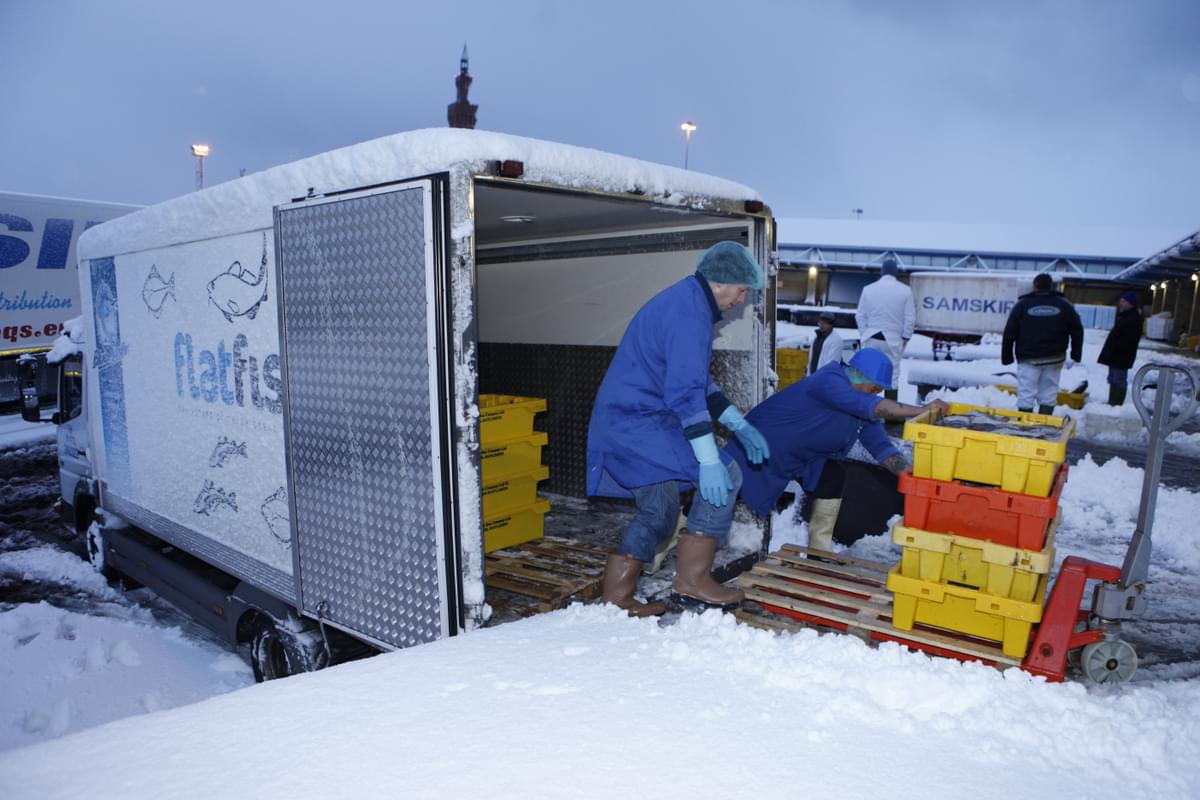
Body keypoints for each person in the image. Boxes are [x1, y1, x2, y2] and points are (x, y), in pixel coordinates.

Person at [588, 241, 771, 616]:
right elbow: (686, 393)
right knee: (726, 472)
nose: (741, 299)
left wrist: (738, 424)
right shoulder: (690, 313)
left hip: (629, 420)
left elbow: (695, 381)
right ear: (721, 282)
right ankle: (693, 580)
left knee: (660, 509)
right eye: (742, 290)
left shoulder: (686, 301)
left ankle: (617, 598)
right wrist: (708, 460)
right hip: (638, 421)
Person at [724, 348, 948, 551]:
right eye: (875, 387)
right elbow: (871, 407)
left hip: (803, 458)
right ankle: (692, 534)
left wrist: (910, 476)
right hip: (759, 446)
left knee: (832, 477)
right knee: (723, 492)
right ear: (859, 374)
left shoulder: (863, 400)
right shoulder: (829, 380)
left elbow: (880, 446)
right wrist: (922, 409)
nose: (876, 393)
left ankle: (819, 551)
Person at [1001, 273, 1084, 415]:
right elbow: (1077, 330)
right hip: (1055, 358)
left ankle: (1024, 425)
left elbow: (1009, 333)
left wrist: (1007, 357)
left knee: (1026, 392)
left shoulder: (1022, 305)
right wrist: (1076, 354)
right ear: (1051, 285)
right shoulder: (1065, 305)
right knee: (1049, 392)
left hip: (1028, 358)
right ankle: (1045, 422)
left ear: (1035, 286)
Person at [855, 257, 915, 401]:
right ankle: (891, 415)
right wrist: (904, 338)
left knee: (867, 374)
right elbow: (910, 319)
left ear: (882, 272)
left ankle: (864, 411)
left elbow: (860, 315)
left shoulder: (868, 289)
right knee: (892, 377)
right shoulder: (905, 291)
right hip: (893, 341)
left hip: (871, 338)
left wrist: (866, 334)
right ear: (896, 273)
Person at [1097, 291, 1143, 406]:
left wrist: (1116, 348)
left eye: (1123, 301)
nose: (1120, 303)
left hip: (1121, 356)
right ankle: (1112, 402)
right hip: (1116, 355)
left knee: (1119, 380)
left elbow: (1129, 340)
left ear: (1130, 304)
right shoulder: (1124, 316)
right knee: (1113, 379)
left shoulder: (1133, 319)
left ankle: (1116, 404)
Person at [806, 311, 845, 376]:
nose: (821, 325)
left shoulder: (836, 340)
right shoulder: (817, 337)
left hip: (824, 378)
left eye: (824, 323)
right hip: (812, 376)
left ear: (831, 325)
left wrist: (821, 377)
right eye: (820, 323)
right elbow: (811, 358)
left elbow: (831, 364)